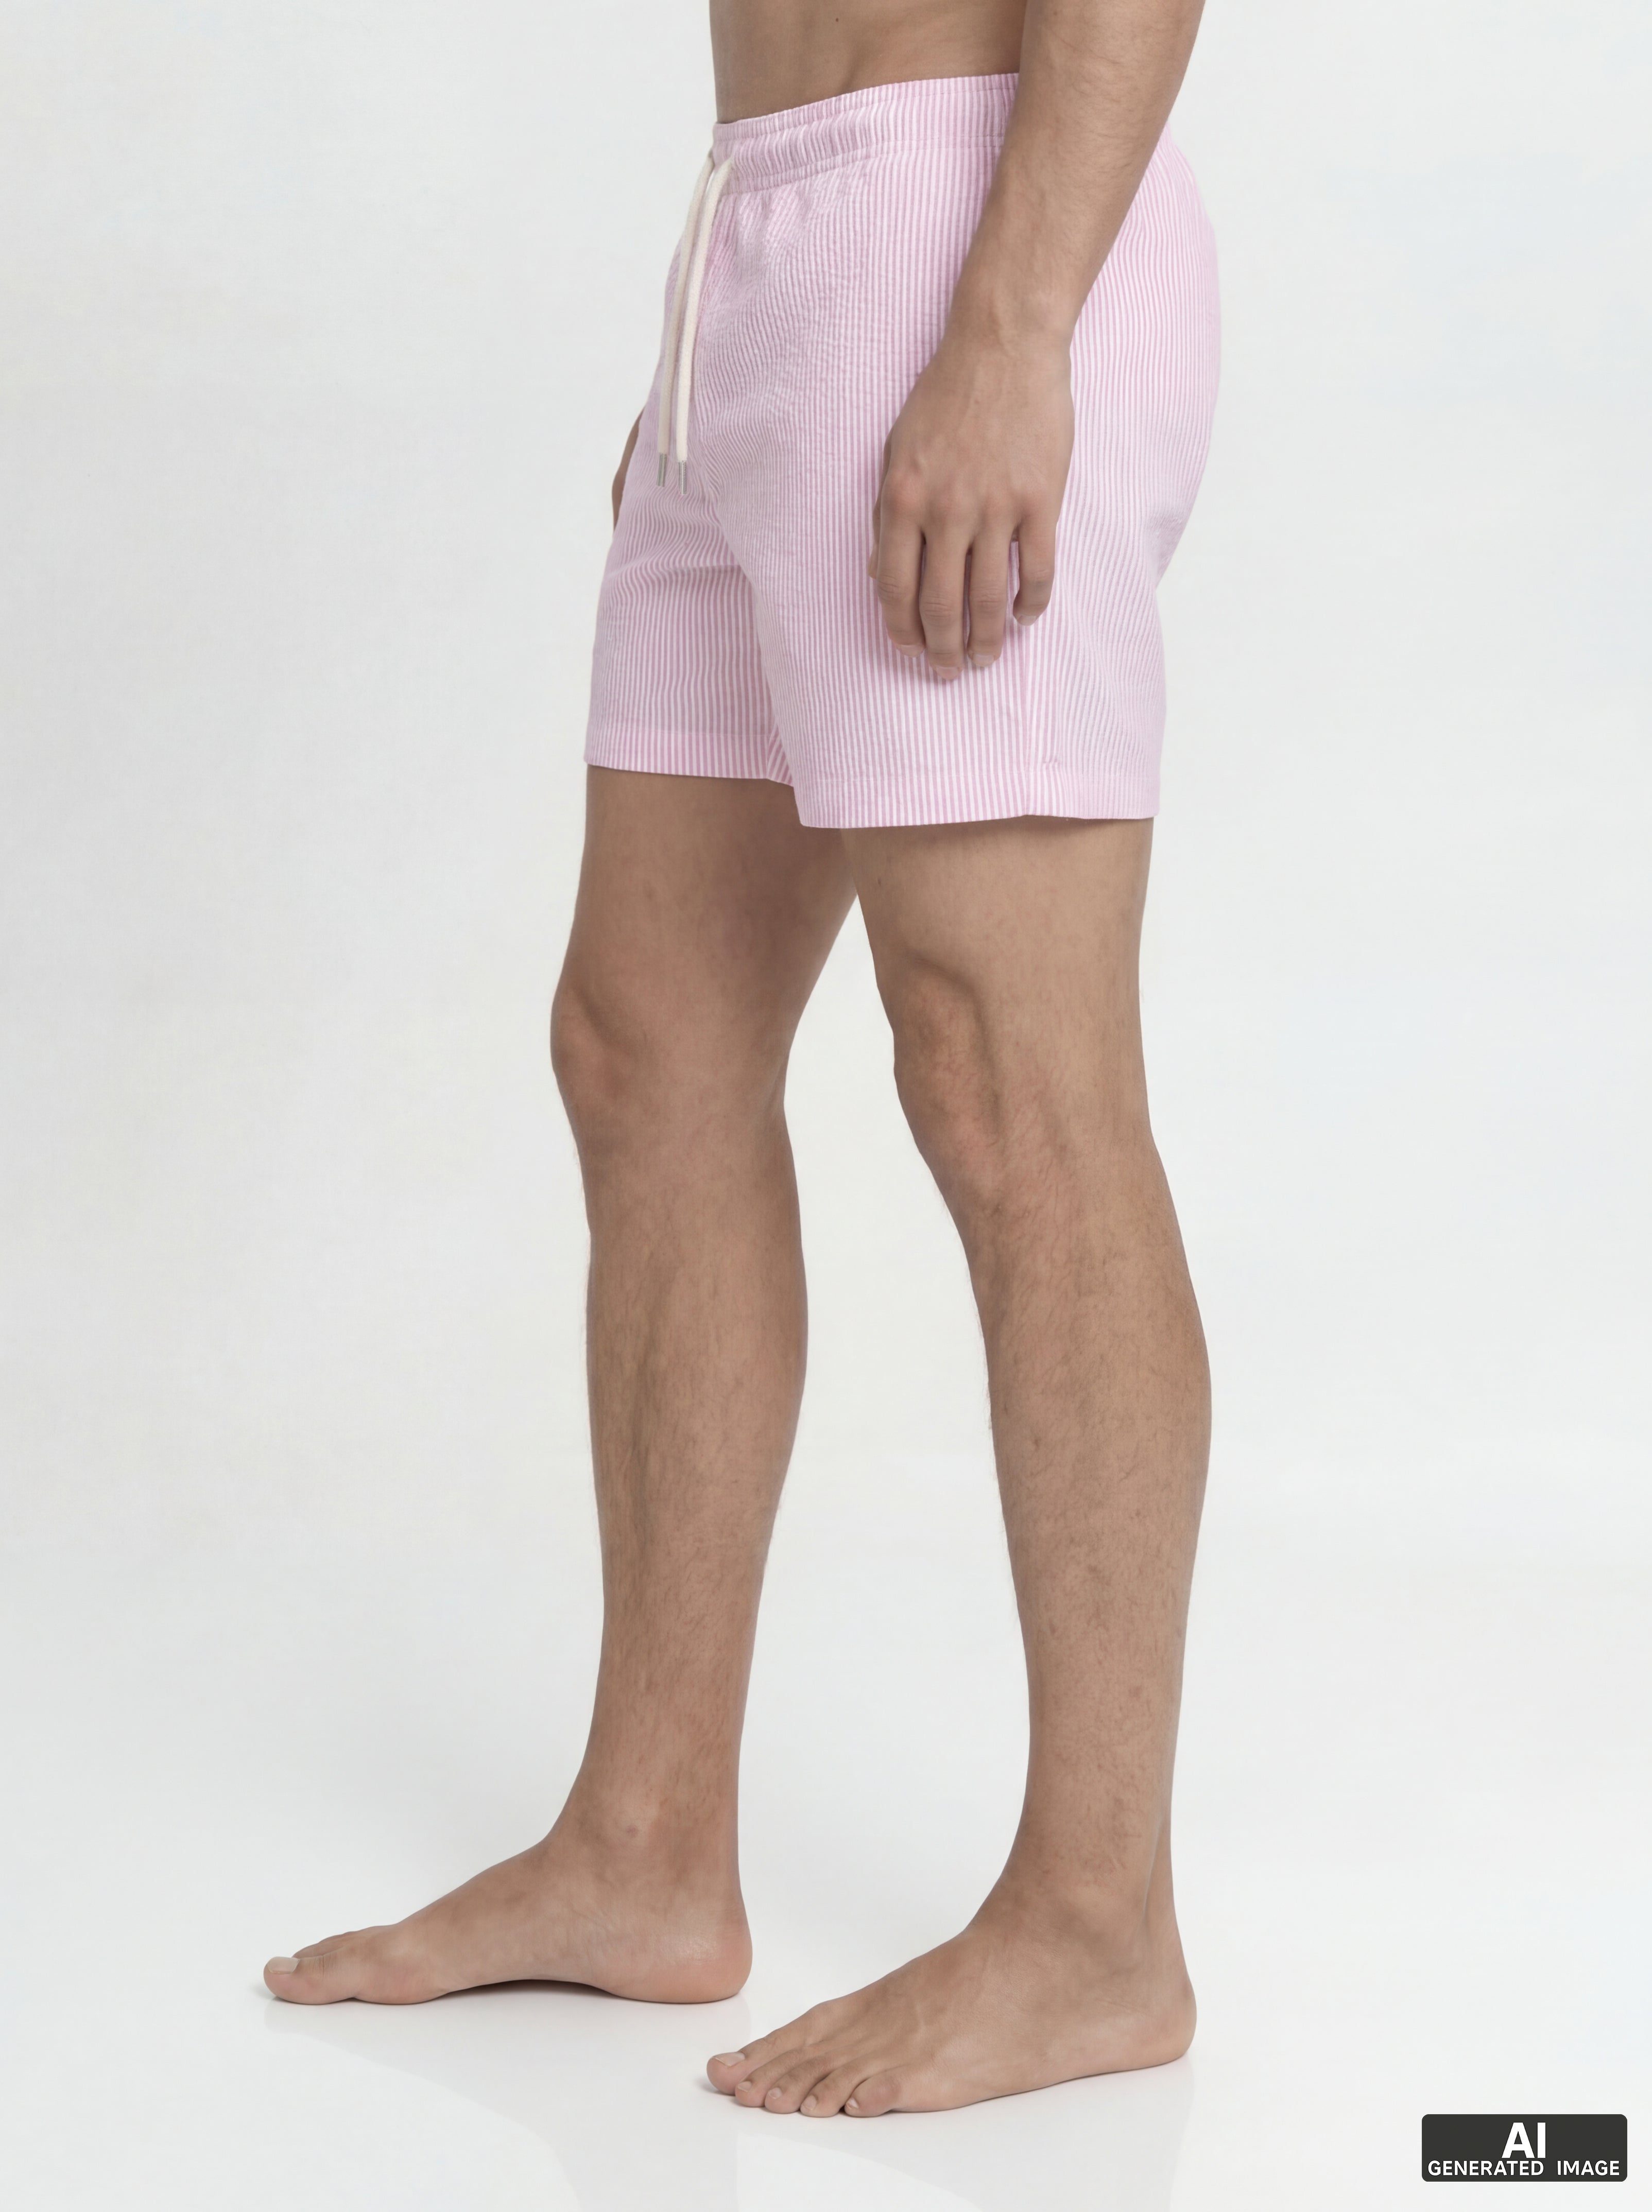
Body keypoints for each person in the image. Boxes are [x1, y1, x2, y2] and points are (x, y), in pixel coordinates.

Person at [265, 0, 1218, 2121]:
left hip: (969, 230)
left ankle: (1097, 1925)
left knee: (1009, 1088)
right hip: (765, 248)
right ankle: (643, 1848)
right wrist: (725, 356)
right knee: (642, 1046)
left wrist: (1013, 322)